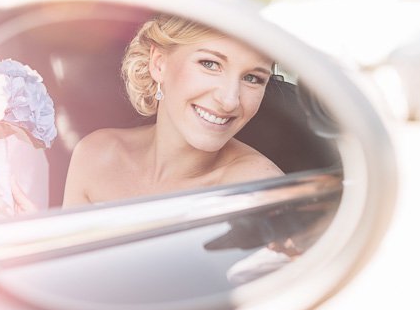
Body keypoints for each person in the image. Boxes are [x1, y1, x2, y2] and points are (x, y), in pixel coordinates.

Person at [62, 14, 282, 207]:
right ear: (159, 64)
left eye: (252, 78)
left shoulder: (259, 188)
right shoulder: (97, 155)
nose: (229, 100)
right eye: (210, 64)